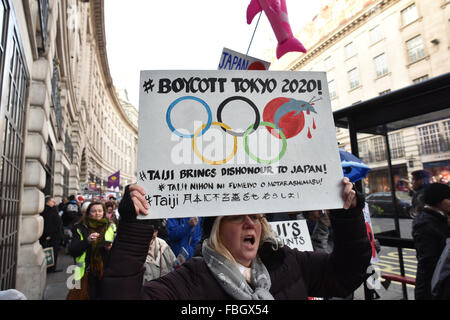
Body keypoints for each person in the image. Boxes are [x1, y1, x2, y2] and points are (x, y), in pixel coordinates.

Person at [99, 178, 371, 300]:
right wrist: (135, 227)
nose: (250, 223)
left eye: (255, 216)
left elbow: (345, 274)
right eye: (237, 217)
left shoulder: (287, 262)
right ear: (216, 230)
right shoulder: (190, 280)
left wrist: (348, 218)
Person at [67, 201, 116, 300]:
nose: (97, 213)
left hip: (105, 271)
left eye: (100, 211)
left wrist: (109, 248)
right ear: (88, 212)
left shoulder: (111, 226)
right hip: (84, 272)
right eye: (94, 211)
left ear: (104, 212)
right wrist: (87, 241)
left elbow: (117, 250)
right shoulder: (79, 227)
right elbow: (73, 250)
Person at [412, 183, 450, 300]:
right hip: (432, 287)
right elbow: (428, 262)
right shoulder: (425, 223)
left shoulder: (440, 218)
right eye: (448, 198)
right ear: (438, 200)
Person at [39, 196, 64, 273]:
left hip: (54, 235)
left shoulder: (51, 209)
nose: (54, 203)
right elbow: (49, 224)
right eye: (52, 201)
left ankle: (51, 267)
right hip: (52, 235)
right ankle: (50, 268)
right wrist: (49, 235)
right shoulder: (47, 211)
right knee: (51, 252)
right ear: (48, 202)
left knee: (53, 251)